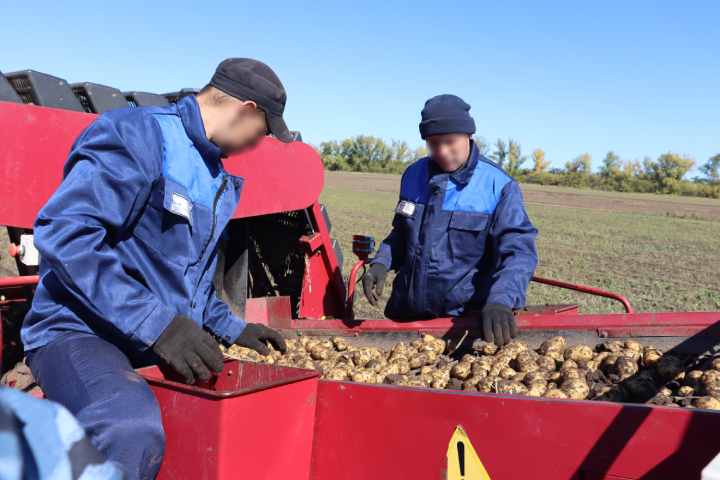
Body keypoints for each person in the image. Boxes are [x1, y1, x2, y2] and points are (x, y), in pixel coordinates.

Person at [21, 58, 289, 479]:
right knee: (128, 430)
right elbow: (66, 235)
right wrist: (160, 325)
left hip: (150, 336)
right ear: (246, 109)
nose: (255, 147)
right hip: (79, 330)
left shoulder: (214, 174)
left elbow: (185, 279)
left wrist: (232, 327)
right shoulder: (139, 135)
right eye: (260, 134)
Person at [363, 94, 538, 346]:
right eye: (434, 143)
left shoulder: (498, 185)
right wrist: (381, 262)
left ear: (468, 136)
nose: (442, 151)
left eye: (450, 142)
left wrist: (501, 300)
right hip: (406, 319)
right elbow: (401, 233)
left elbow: (519, 252)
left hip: (461, 326)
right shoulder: (413, 175)